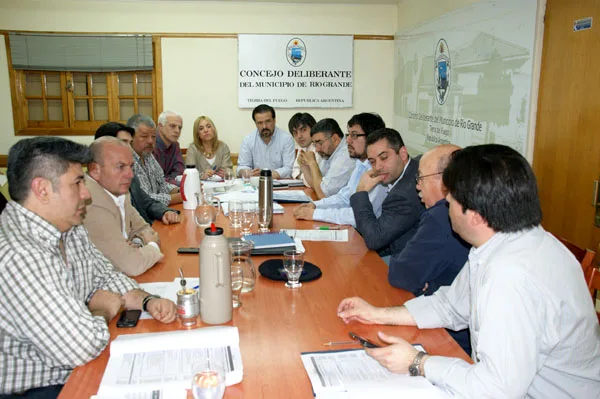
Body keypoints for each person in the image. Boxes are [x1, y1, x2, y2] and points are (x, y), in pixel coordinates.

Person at [338, 144, 600, 398]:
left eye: (450, 199)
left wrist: (419, 362)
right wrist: (377, 314)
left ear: (475, 215)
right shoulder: (501, 243)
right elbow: (452, 306)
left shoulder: (511, 276)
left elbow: (496, 390)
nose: (446, 204)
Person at [0, 137, 177, 398]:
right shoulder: (19, 256)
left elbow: (105, 275)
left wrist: (146, 300)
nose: (86, 193)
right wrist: (102, 310)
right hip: (43, 387)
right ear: (42, 190)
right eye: (78, 183)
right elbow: (80, 347)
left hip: (78, 363)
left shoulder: (67, 227)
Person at [388, 144, 469, 295]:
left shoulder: (440, 215)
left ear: (446, 180)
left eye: (421, 178)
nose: (418, 186)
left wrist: (429, 285)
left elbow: (400, 275)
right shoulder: (471, 207)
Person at [85, 137, 164, 276]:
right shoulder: (88, 200)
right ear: (95, 170)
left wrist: (134, 245)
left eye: (131, 166)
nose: (130, 174)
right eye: (120, 167)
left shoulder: (118, 190)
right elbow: (133, 265)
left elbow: (144, 229)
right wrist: (152, 246)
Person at [294, 113, 387, 227]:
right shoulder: (361, 164)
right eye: (348, 135)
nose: (348, 140)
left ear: (372, 138)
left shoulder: (380, 171)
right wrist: (315, 205)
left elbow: (357, 215)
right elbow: (344, 198)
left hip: (366, 236)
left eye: (354, 135)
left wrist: (316, 213)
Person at [350, 128, 424, 257]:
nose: (378, 167)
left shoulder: (404, 194)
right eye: (372, 162)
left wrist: (361, 191)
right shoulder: (413, 168)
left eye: (384, 157)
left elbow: (374, 240)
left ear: (402, 153)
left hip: (407, 261)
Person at [95, 122, 180, 225]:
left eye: (129, 143)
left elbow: (146, 201)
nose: (129, 149)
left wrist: (165, 212)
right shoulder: (94, 186)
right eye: (123, 142)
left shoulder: (129, 173)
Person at [127, 114, 182, 206]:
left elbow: (161, 184)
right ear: (131, 138)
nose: (150, 141)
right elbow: (145, 198)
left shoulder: (148, 155)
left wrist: (179, 190)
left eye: (153, 137)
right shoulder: (128, 161)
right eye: (144, 136)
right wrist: (181, 196)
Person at [299, 118, 355, 199]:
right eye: (314, 144)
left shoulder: (346, 156)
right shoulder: (328, 153)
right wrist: (304, 166)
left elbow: (323, 194)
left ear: (335, 139)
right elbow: (316, 185)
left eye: (320, 143)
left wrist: (312, 163)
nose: (317, 149)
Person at [236, 104, 295, 179]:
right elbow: (242, 166)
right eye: (260, 123)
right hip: (256, 184)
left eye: (268, 121)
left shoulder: (286, 139)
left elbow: (289, 169)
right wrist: (245, 172)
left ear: (274, 120)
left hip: (279, 184)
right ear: (255, 124)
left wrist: (265, 174)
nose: (264, 126)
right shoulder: (248, 140)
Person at [185, 116, 233, 180]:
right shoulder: (192, 149)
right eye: (201, 128)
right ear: (197, 134)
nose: (206, 130)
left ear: (213, 129)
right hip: (200, 187)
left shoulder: (223, 147)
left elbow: (228, 171)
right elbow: (189, 174)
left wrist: (226, 173)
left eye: (208, 126)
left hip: (221, 187)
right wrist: (202, 175)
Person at [153, 111, 185, 186]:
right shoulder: (151, 145)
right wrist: (173, 181)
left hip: (171, 189)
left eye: (180, 128)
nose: (177, 131)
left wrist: (168, 180)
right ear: (160, 126)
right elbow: (155, 180)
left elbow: (180, 172)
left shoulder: (175, 145)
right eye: (172, 126)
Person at [288, 112, 319, 180]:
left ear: (313, 128)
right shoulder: (302, 148)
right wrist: (303, 176)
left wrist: (301, 176)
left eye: (303, 130)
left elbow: (316, 178)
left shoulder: (320, 148)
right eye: (295, 132)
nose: (299, 136)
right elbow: (294, 172)